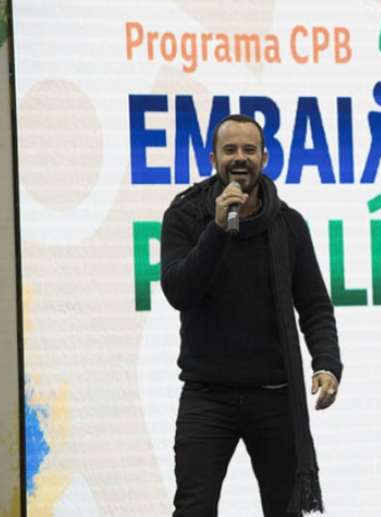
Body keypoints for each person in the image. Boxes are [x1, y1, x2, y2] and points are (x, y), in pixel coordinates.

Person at [160, 114, 343, 517]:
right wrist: (219, 231)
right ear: (213, 158)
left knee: (285, 509)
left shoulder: (288, 225)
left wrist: (327, 363)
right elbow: (178, 290)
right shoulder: (186, 216)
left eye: (248, 149)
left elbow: (314, 306)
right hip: (207, 396)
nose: (239, 158)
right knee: (193, 508)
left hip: (275, 398)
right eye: (230, 150)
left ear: (264, 156)